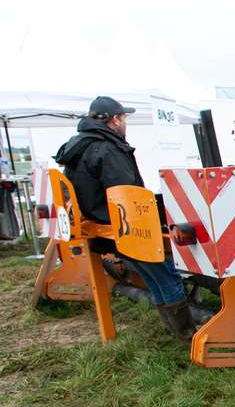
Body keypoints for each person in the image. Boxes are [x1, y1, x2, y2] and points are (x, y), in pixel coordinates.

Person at [54, 96, 195, 341]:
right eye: (124, 118)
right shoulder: (108, 149)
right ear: (115, 119)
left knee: (154, 276)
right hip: (124, 224)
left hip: (103, 224)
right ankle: (187, 335)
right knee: (167, 273)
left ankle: (176, 331)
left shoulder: (78, 148)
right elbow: (125, 191)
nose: (125, 124)